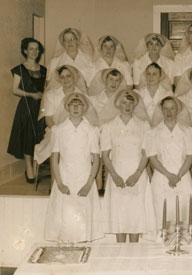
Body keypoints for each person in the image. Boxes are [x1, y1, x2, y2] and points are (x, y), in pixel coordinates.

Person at [44, 92, 103, 243]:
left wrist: (90, 183)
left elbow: (96, 159)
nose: (76, 107)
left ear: (84, 108)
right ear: (67, 107)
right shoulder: (58, 130)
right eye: (72, 104)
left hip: (84, 178)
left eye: (80, 104)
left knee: (83, 219)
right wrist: (59, 183)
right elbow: (54, 158)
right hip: (64, 177)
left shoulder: (92, 130)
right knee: (64, 220)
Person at [101, 90, 156, 243]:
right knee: (120, 215)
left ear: (135, 105)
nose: (127, 106)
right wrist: (114, 175)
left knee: (135, 216)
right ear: (118, 104)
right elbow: (105, 156)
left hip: (137, 174)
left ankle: (134, 253)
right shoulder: (109, 126)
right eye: (124, 103)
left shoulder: (143, 125)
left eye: (130, 103)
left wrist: (137, 174)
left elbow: (146, 153)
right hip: (116, 175)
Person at [146, 96, 192, 228]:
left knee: (184, 215)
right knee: (162, 214)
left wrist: (178, 176)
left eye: (172, 108)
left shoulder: (187, 131)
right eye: (166, 109)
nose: (169, 112)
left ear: (177, 110)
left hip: (182, 176)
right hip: (162, 177)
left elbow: (190, 156)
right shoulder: (153, 132)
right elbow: (152, 157)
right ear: (161, 110)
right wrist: (168, 175)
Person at [34, 65, 91, 166]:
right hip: (56, 129)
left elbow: (87, 117)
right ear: (59, 79)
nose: (65, 79)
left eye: (68, 76)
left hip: (78, 129)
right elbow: (49, 120)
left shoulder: (82, 95)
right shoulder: (51, 95)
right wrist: (63, 130)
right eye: (62, 77)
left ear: (74, 77)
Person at [8, 38, 46, 183]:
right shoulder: (19, 69)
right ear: (25, 51)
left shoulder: (43, 70)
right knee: (28, 137)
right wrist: (31, 95)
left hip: (41, 107)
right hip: (27, 107)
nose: (34, 51)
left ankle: (36, 166)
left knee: (40, 136)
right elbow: (14, 90)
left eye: (37, 49)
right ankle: (29, 169)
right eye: (31, 49)